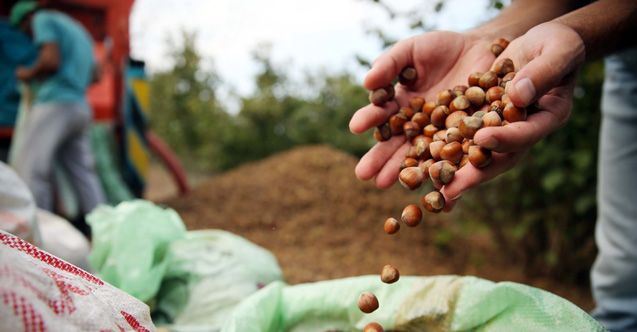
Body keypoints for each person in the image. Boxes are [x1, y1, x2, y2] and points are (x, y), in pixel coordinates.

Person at [349, 0, 637, 330]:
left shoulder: (464, 117)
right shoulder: (461, 114)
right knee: (625, 287)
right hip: (628, 66)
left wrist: (576, 33)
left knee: (626, 286)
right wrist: (490, 36)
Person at [9, 1, 105, 234]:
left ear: (26, 19)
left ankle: (37, 236)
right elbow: (97, 74)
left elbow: (50, 60)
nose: (30, 35)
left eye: (25, 30)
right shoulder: (80, 32)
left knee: (31, 169)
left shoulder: (43, 19)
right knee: (84, 173)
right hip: (80, 107)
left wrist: (27, 73)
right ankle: (103, 229)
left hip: (55, 103)